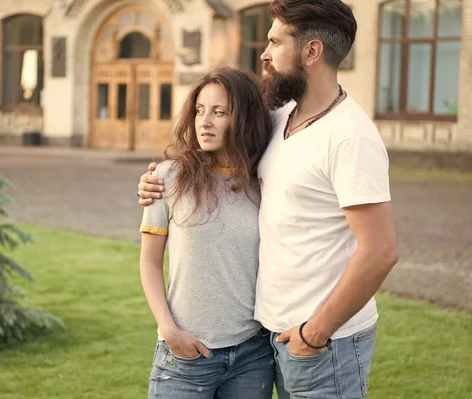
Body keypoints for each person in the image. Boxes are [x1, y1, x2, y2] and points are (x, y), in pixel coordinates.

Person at [137, 1, 400, 398]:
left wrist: (314, 334)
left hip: (324, 343)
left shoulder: (351, 137)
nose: (264, 53)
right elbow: (224, 154)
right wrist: (157, 181)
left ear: (311, 52)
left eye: (275, 42)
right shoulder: (281, 118)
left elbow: (380, 251)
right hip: (272, 341)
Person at [139, 67, 274, 399]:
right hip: (185, 354)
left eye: (219, 112)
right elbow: (149, 263)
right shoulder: (168, 177)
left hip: (252, 356)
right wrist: (169, 330)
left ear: (242, 119)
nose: (205, 122)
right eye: (200, 111)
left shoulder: (265, 182)